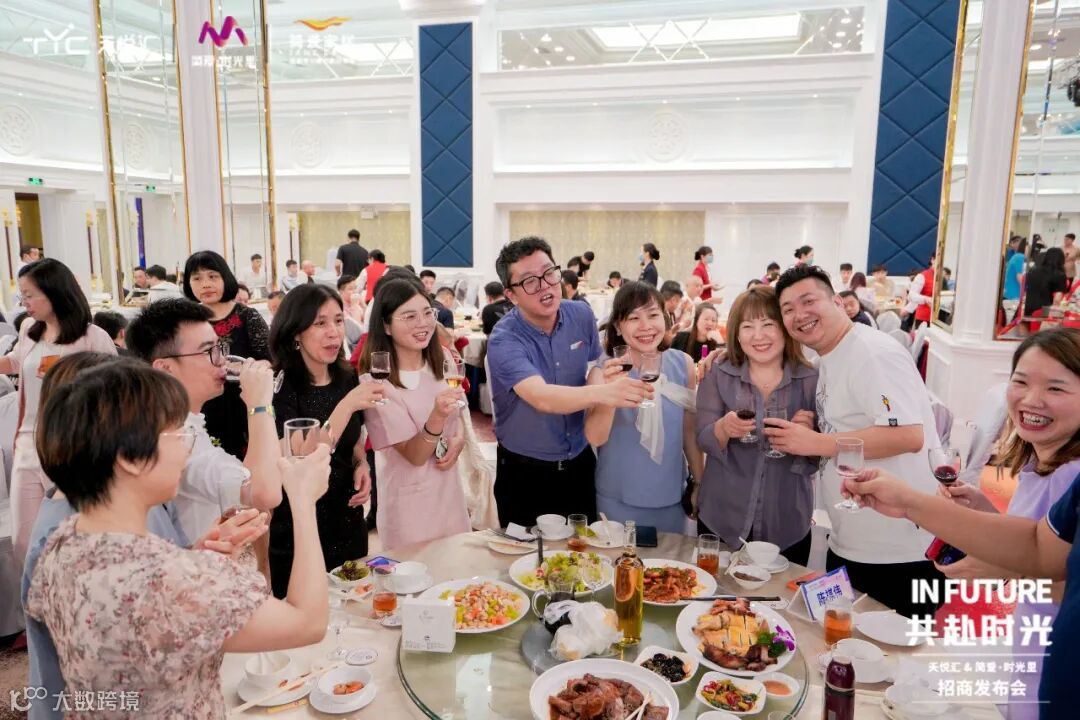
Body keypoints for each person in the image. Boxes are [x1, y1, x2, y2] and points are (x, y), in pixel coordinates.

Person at [25, 361, 334, 718]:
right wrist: (303, 500)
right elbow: (308, 623)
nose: (187, 447)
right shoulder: (167, 580)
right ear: (129, 459)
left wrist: (195, 557)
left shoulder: (61, 543)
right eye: (177, 433)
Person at [763, 264, 942, 617]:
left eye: (808, 301)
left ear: (839, 303)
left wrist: (814, 442)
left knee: (890, 649)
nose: (800, 315)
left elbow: (908, 434)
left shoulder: (872, 353)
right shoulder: (831, 356)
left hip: (898, 550)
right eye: (788, 309)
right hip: (856, 540)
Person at [842, 467, 1080, 718]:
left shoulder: (1070, 472)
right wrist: (911, 504)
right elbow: (1038, 545)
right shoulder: (1050, 472)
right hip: (1041, 671)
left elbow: (1052, 565)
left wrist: (1009, 568)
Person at [487, 237, 652, 526]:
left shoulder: (581, 314)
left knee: (582, 549)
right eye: (529, 281)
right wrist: (605, 393)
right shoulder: (504, 339)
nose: (545, 286)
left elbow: (594, 365)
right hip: (525, 472)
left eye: (549, 273)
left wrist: (604, 378)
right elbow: (542, 397)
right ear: (511, 295)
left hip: (579, 462)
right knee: (527, 552)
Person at [127, 298, 284, 542]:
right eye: (208, 351)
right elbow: (264, 493)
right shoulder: (175, 438)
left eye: (219, 348)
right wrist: (260, 405)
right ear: (165, 368)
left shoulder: (180, 421)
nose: (221, 360)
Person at [0, 259, 117, 566]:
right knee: (24, 540)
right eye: (22, 295)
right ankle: (34, 593)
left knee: (72, 533)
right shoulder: (29, 329)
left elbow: (117, 385)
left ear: (55, 291)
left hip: (73, 447)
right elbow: (16, 361)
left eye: (29, 295)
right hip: (28, 444)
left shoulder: (92, 337)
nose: (24, 302)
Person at [269, 284, 383, 597]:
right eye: (320, 323)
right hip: (300, 524)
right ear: (296, 332)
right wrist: (346, 406)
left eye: (338, 320)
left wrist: (360, 463)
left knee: (353, 604)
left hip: (347, 517)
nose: (334, 332)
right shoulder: (281, 385)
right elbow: (302, 456)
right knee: (303, 613)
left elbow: (354, 437)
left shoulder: (346, 376)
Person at [696, 285, 819, 566]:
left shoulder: (811, 379)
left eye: (768, 324)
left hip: (787, 521)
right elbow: (702, 438)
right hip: (722, 518)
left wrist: (808, 439)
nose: (758, 336)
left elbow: (822, 457)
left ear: (785, 328)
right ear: (736, 334)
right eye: (748, 326)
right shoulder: (718, 372)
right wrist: (723, 429)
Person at [359, 279, 471, 550]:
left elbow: (458, 412)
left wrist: (459, 439)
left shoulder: (443, 357)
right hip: (410, 507)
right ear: (386, 325)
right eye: (409, 316)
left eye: (427, 313)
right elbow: (415, 455)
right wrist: (437, 416)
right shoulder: (376, 381)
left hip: (450, 496)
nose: (423, 324)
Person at [585, 282, 702, 533]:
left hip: (670, 497)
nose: (646, 326)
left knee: (670, 559)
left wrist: (699, 482)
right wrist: (610, 393)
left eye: (653, 315)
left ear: (665, 318)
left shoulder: (683, 364)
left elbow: (689, 431)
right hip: (617, 498)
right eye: (633, 318)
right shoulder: (603, 370)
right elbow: (595, 437)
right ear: (618, 326)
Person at [183, 250, 270, 459]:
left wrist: (250, 368)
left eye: (212, 276)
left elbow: (270, 359)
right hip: (203, 406)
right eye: (197, 279)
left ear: (226, 278)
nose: (205, 284)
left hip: (243, 404)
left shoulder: (247, 316)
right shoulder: (186, 320)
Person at [1024, 247, 1069, 316]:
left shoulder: (1034, 270)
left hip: (1028, 306)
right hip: (1043, 310)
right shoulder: (1060, 275)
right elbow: (1057, 300)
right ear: (1061, 259)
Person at [902, 252, 935, 331]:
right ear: (932, 260)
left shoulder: (942, 278)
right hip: (924, 317)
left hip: (940, 319)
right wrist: (926, 299)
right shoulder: (922, 276)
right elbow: (912, 295)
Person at [1003, 238, 1028, 307]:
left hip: (1009, 295)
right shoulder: (1020, 257)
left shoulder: (1016, 256)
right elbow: (1020, 278)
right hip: (1013, 297)